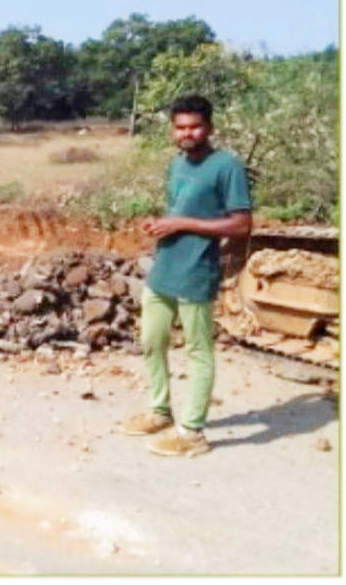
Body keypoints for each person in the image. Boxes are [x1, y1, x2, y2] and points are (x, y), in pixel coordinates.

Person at [121, 94, 252, 457]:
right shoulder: (177, 165)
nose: (188, 133)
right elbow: (179, 209)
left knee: (198, 350)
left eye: (195, 126)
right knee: (152, 340)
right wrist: (161, 223)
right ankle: (159, 410)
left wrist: (181, 223)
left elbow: (241, 224)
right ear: (173, 130)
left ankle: (192, 432)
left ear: (209, 127)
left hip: (197, 270)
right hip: (165, 267)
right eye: (181, 127)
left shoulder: (227, 166)